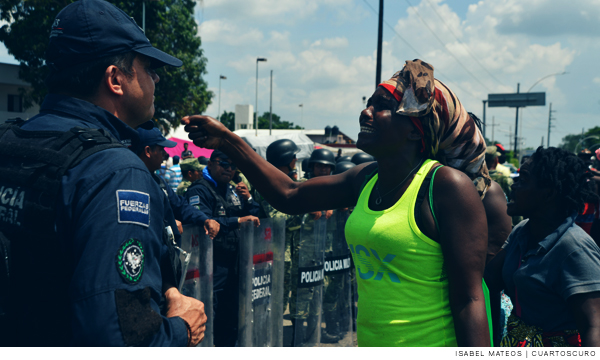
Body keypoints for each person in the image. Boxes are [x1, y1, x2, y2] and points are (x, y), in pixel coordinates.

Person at [183, 59, 492, 346]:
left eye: (382, 106)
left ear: (415, 129)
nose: (366, 112)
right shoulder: (366, 179)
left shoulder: (446, 187)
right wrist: (229, 140)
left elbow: (470, 300)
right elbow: (290, 194)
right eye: (368, 103)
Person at [0, 0, 206, 346]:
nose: (155, 77)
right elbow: (116, 338)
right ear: (115, 79)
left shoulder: (10, 140)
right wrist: (182, 328)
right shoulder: (115, 172)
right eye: (148, 66)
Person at [485, 147, 600, 347]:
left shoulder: (574, 248)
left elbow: (594, 326)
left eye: (523, 179)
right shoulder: (523, 231)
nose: (513, 185)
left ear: (548, 194)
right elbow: (490, 281)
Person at [184, 149, 261, 346]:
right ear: (210, 163)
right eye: (223, 164)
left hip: (235, 262)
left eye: (233, 166)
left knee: (232, 317)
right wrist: (237, 221)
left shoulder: (234, 190)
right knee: (211, 316)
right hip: (211, 264)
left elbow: (255, 217)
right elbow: (204, 221)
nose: (229, 169)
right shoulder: (199, 189)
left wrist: (249, 199)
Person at [136, 127, 220, 239]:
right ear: (147, 151)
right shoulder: (130, 180)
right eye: (161, 149)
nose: (165, 154)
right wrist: (164, 224)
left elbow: (181, 206)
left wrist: (205, 219)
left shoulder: (158, 181)